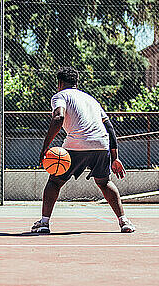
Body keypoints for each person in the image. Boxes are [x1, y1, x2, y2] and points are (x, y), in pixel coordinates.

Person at [31, 67, 135, 233]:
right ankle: (124, 221)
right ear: (76, 83)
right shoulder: (91, 100)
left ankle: (44, 223)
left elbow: (58, 117)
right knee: (105, 183)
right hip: (101, 144)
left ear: (59, 83)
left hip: (76, 144)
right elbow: (109, 127)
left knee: (54, 182)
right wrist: (115, 158)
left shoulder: (60, 96)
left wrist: (45, 148)